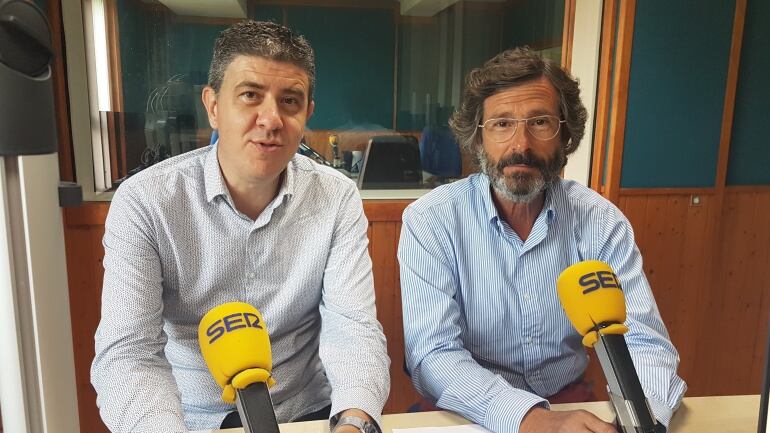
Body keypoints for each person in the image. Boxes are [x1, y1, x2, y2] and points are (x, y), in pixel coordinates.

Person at [91, 20, 389, 433]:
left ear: (307, 115)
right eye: (250, 95)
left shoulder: (336, 197)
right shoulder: (146, 201)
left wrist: (356, 420)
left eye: (290, 101)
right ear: (213, 106)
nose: (271, 119)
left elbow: (352, 325)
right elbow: (128, 352)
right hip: (186, 420)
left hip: (307, 416)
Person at [398, 47, 686, 433]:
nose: (521, 144)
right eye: (502, 124)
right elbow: (432, 354)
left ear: (565, 134)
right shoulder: (432, 220)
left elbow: (645, 344)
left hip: (569, 405)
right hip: (465, 410)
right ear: (478, 139)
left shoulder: (600, 222)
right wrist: (529, 418)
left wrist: (641, 418)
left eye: (540, 122)